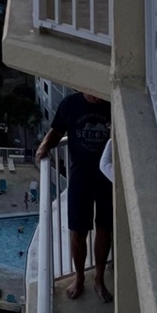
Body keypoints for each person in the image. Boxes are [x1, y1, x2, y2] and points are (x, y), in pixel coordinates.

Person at [35, 92, 112, 302]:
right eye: (91, 93)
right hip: (80, 179)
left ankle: (99, 279)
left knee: (105, 230)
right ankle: (79, 278)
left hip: (107, 179)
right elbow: (57, 130)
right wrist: (44, 146)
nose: (96, 97)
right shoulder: (70, 104)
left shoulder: (111, 105)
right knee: (77, 232)